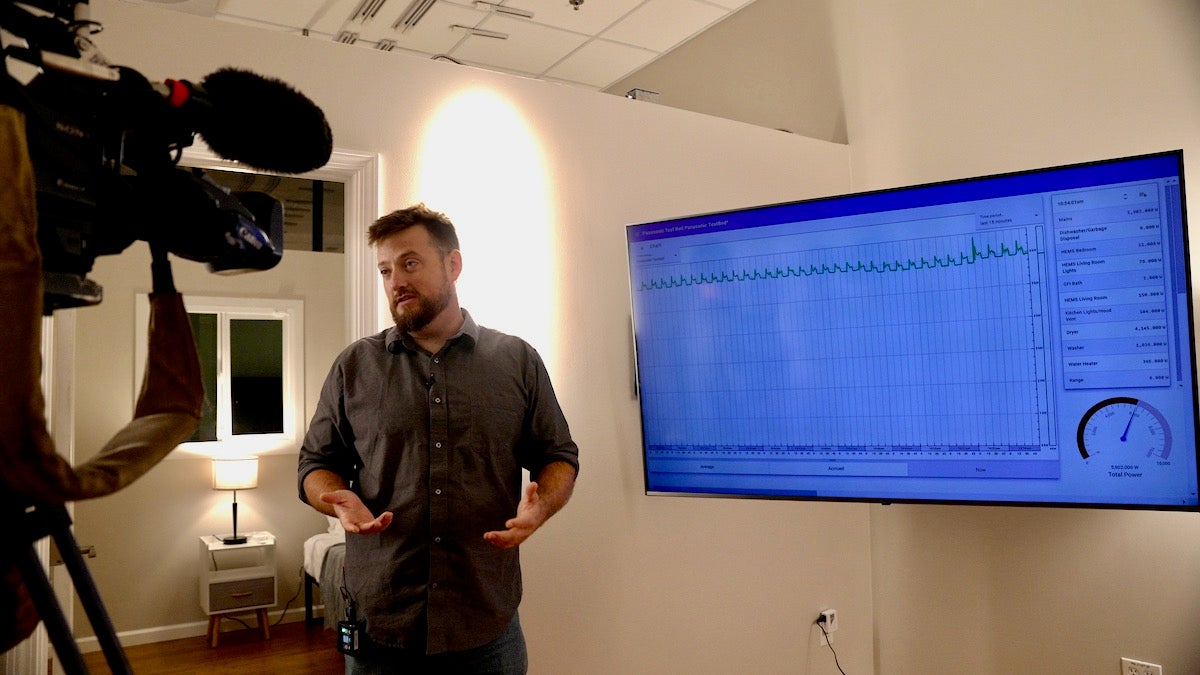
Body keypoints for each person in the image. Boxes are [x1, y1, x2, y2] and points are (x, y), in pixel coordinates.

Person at [297, 203, 579, 674]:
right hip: (381, 629)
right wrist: (335, 498)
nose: (395, 281)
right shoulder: (355, 366)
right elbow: (314, 464)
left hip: (485, 626)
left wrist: (543, 504)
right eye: (386, 270)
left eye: (410, 263)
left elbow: (558, 455)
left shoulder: (516, 360)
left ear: (453, 265)